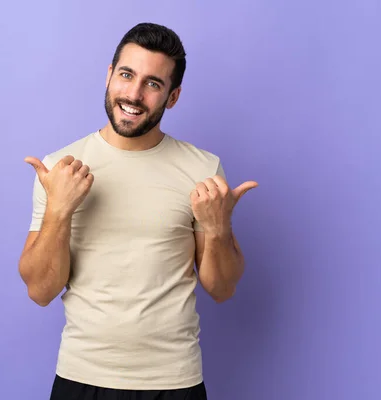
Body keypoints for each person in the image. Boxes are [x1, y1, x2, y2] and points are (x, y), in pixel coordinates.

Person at [18, 22, 257, 400]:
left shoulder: (203, 169)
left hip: (174, 381)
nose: (134, 93)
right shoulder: (60, 169)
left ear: (173, 96)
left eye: (153, 83)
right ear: (109, 74)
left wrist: (218, 228)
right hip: (82, 375)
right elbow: (41, 290)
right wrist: (59, 211)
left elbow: (222, 288)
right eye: (127, 75)